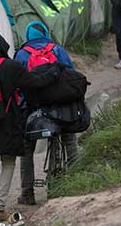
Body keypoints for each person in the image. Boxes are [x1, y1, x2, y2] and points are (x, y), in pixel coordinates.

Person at [0, 33, 59, 223]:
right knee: (8, 161)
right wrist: (53, 73)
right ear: (2, 46)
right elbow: (33, 83)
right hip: (6, 121)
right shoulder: (11, 66)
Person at [14, 21, 79, 205]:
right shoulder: (57, 50)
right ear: (44, 33)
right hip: (60, 107)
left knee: (27, 150)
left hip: (33, 109)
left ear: (28, 35)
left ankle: (27, 192)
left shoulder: (21, 54)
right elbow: (71, 74)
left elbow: (18, 85)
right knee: (69, 141)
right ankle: (78, 180)